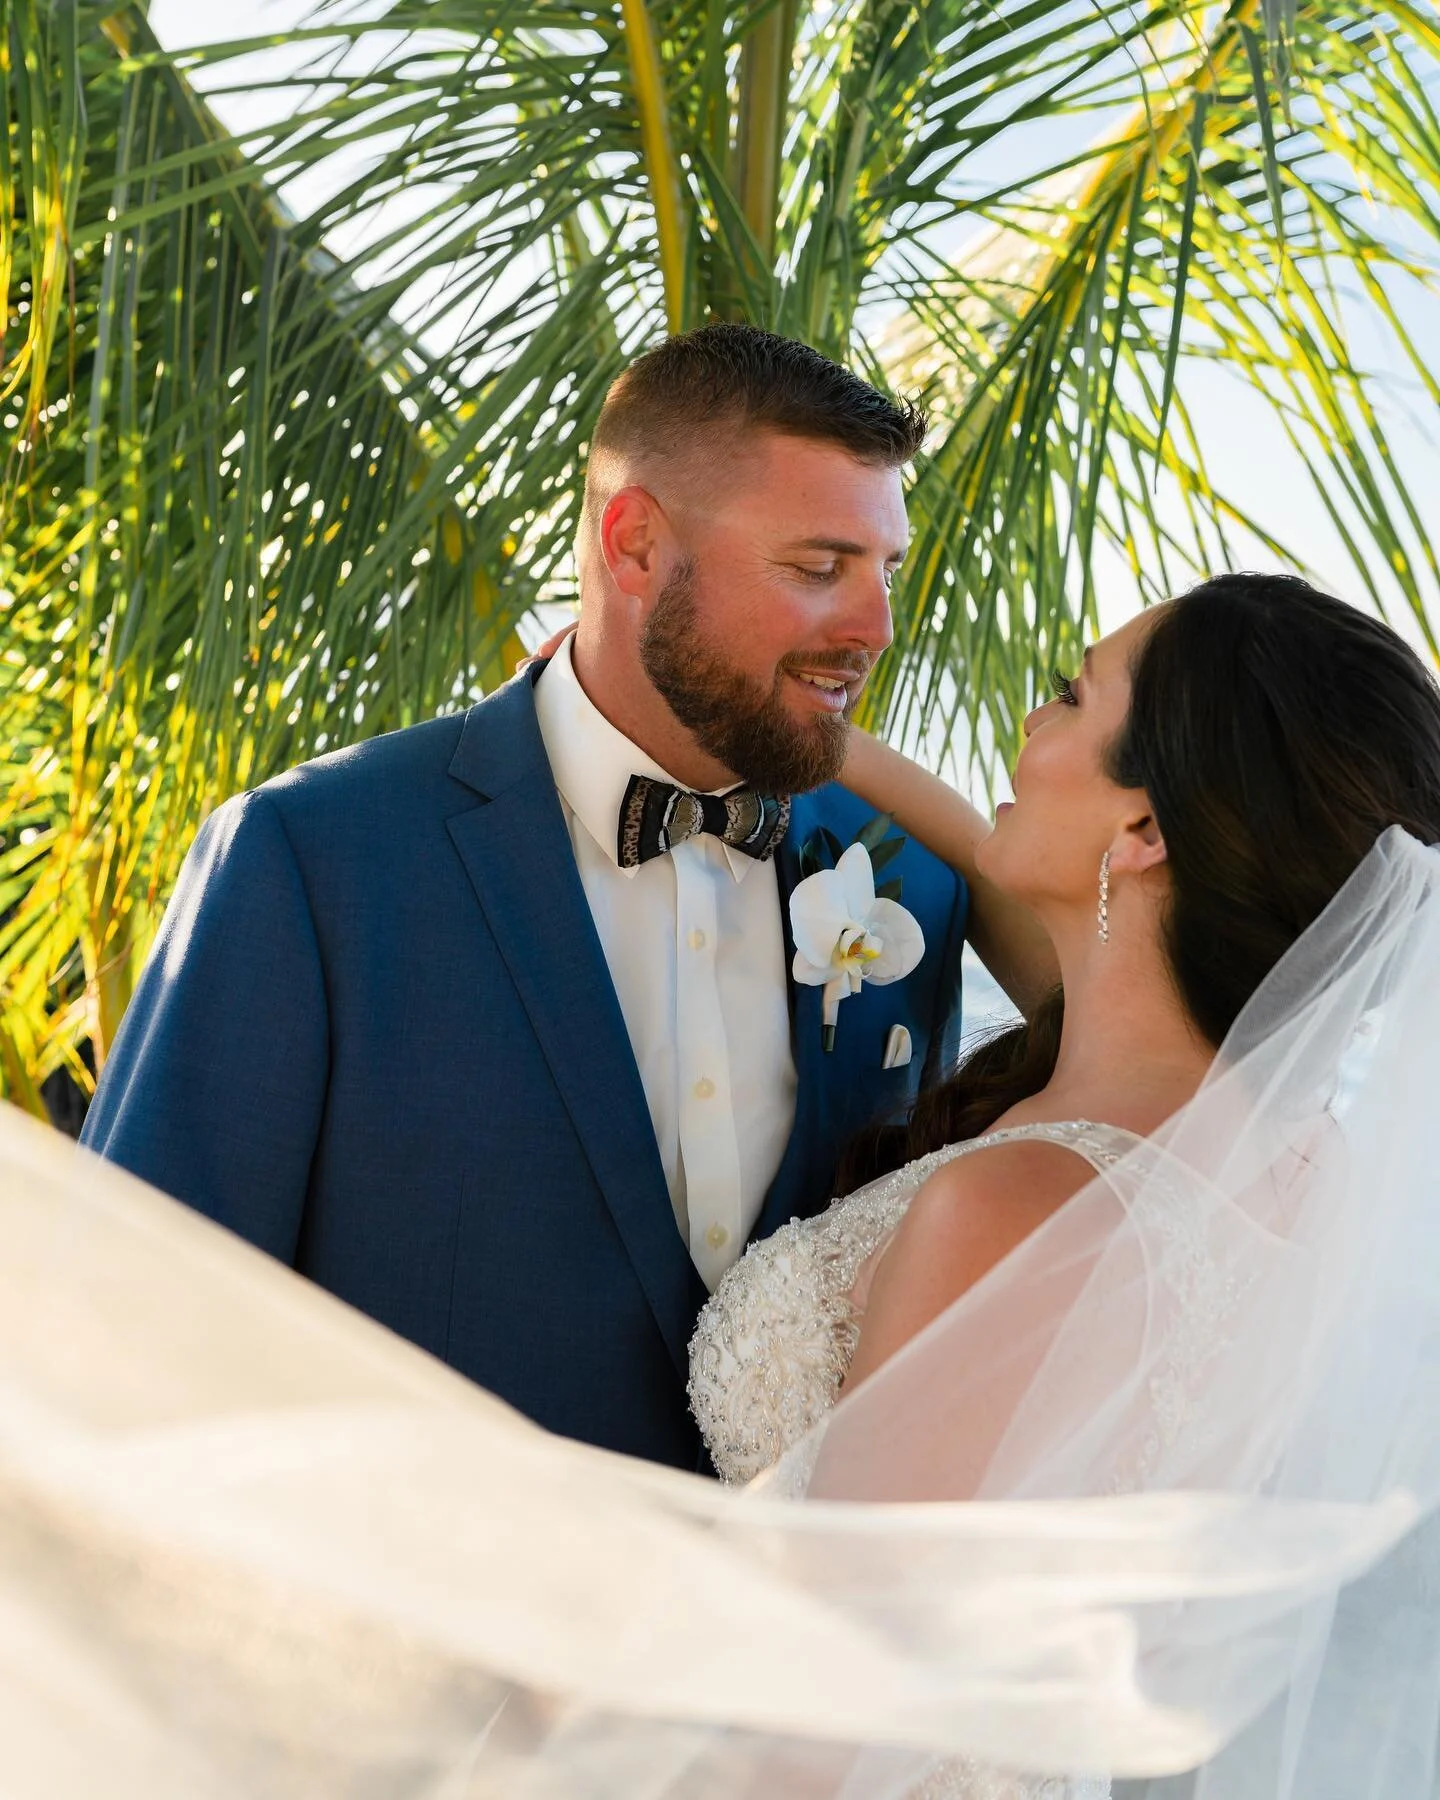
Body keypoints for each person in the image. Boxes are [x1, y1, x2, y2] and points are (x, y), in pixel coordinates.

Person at [5, 571, 1440, 1800]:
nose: (1028, 716)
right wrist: (815, 740)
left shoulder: (1007, 1215)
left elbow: (811, 1719)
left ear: (1146, 834)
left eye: (1070, 696)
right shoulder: (1288, 1170)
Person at [77, 324, 968, 1471]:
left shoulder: (914, 889)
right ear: (635, 544)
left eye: (884, 569)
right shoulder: (309, 862)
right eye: (818, 567)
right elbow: (131, 1345)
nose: (875, 627)